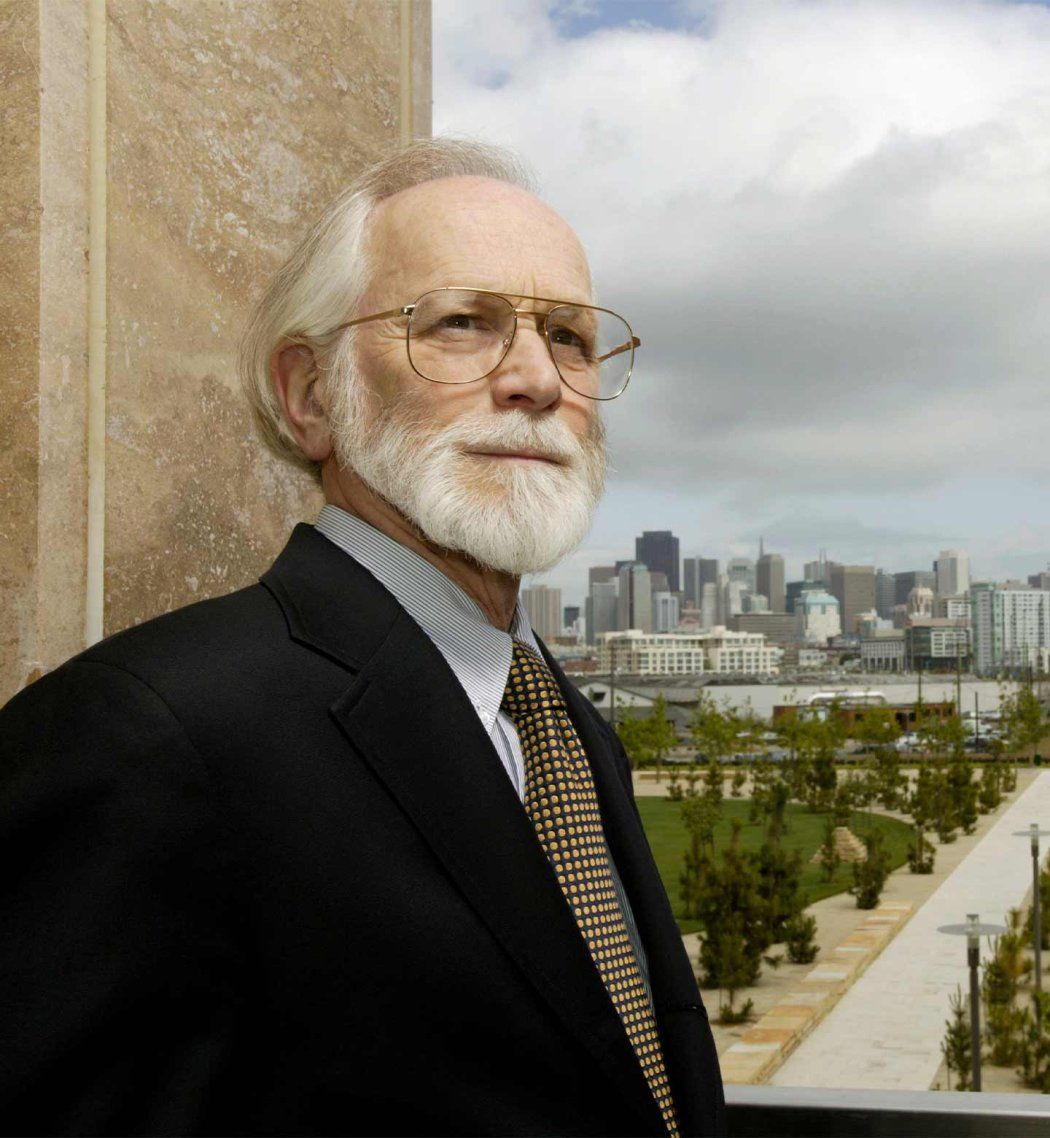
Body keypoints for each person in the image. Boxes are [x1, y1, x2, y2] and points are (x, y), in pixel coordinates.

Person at [0, 139, 724, 1136]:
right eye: (464, 323)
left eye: (571, 337)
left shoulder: (569, 729)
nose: (536, 380)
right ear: (310, 395)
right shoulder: (146, 734)